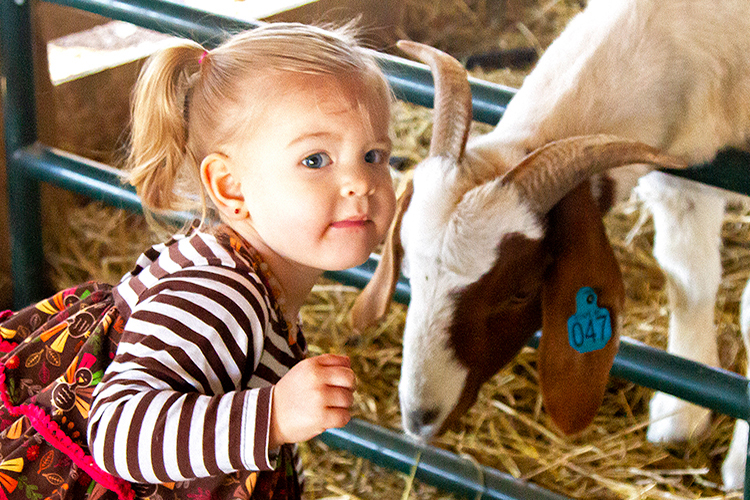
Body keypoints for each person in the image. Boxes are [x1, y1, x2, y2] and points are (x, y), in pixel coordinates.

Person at [0, 22, 396, 500]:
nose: (361, 181)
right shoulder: (222, 296)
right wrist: (272, 416)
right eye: (316, 159)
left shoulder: (253, 275)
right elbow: (116, 432)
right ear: (231, 187)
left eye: (373, 154)